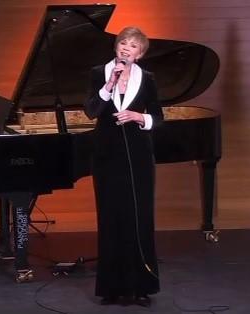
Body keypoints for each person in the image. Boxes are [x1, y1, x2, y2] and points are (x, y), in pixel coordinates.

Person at [84, 27, 162, 306]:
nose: (126, 48)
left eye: (133, 46)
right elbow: (91, 111)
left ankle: (141, 287)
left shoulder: (148, 79)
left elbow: (158, 117)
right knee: (110, 218)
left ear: (139, 54)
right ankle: (111, 289)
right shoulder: (99, 73)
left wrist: (139, 117)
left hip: (139, 156)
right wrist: (108, 86)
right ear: (117, 48)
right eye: (123, 43)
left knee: (139, 219)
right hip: (107, 155)